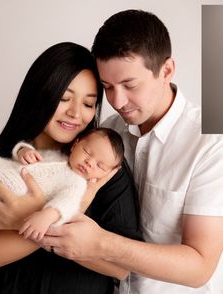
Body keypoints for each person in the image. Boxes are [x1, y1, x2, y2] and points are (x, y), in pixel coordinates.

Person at [32, 9, 223, 294]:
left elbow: (199, 267)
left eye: (129, 85)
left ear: (167, 70)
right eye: (107, 87)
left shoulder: (210, 142)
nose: (117, 101)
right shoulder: (109, 132)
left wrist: (101, 243)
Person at [0, 41, 142, 294]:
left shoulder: (102, 169)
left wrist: (33, 220)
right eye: (64, 98)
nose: (75, 113)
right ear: (40, 94)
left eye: (88, 104)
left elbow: (121, 268)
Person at [0, 127, 125, 241]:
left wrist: (47, 216)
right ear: (75, 145)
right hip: (9, 170)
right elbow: (30, 154)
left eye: (100, 166)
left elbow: (67, 203)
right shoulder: (57, 155)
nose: (89, 162)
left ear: (105, 175)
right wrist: (23, 151)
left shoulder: (76, 184)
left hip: (14, 192)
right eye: (87, 152)